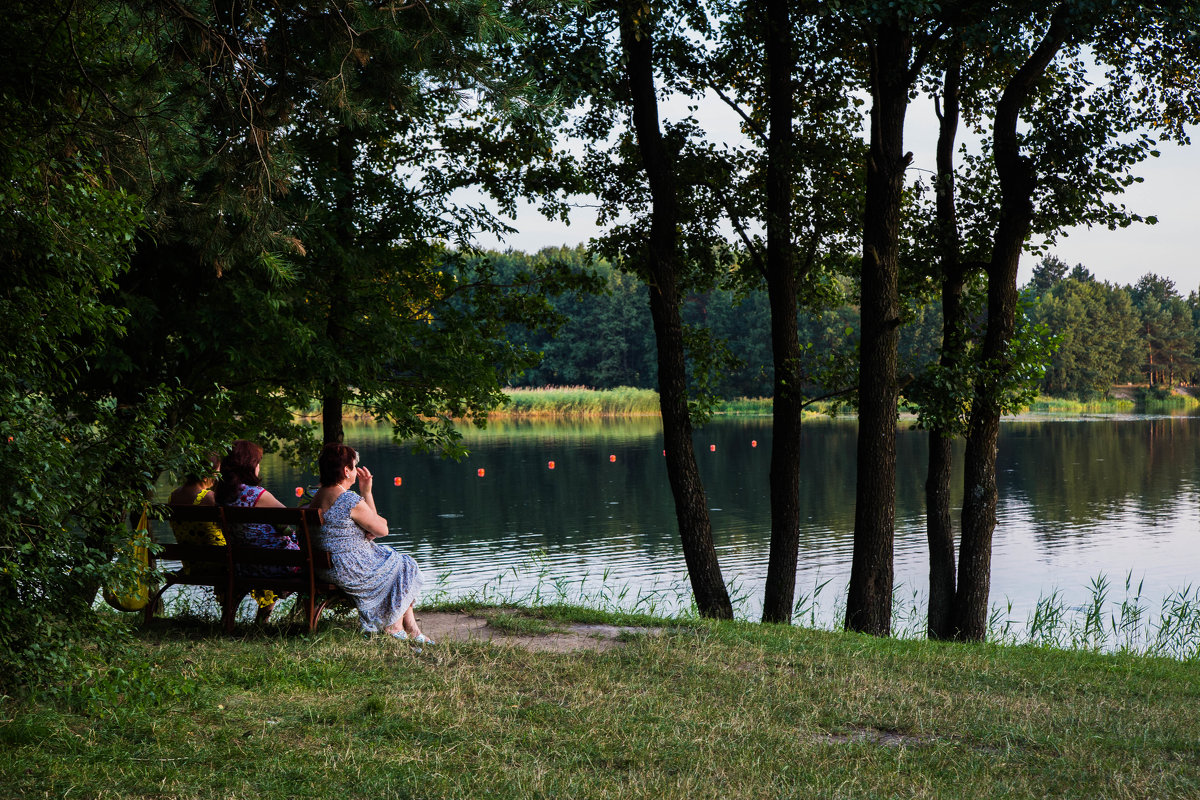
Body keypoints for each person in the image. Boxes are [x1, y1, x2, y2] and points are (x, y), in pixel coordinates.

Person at [309, 442, 431, 646]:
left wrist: (365, 495)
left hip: (325, 567)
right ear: (346, 470)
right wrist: (367, 492)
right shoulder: (347, 499)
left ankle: (412, 629)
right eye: (355, 466)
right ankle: (395, 627)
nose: (357, 471)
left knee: (399, 564)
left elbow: (369, 531)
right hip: (348, 568)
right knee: (405, 565)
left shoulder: (317, 497)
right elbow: (381, 530)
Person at [216, 439, 298, 623]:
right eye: (258, 463)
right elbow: (292, 519)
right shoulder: (257, 494)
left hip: (241, 565)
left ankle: (256, 619)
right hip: (273, 566)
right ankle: (296, 617)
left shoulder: (220, 495)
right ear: (249, 465)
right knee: (310, 558)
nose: (259, 467)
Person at [167, 453, 224, 595]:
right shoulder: (209, 498)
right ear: (211, 472)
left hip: (191, 564)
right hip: (219, 564)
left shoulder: (173, 496)